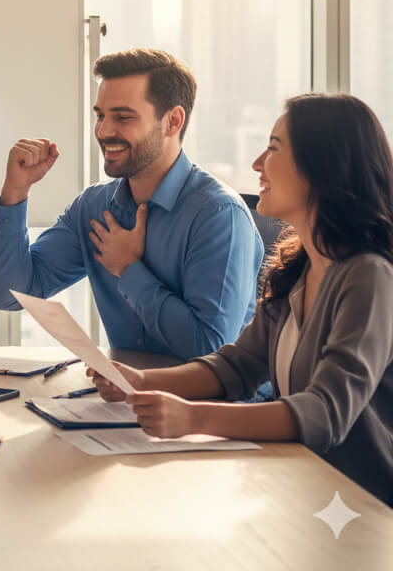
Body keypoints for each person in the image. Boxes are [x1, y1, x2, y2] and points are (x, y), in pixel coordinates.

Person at [88, 93, 393, 505]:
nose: (256, 164)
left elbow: (326, 413)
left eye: (273, 148)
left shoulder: (369, 276)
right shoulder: (299, 267)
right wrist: (140, 382)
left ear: (322, 166)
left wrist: (191, 417)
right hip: (303, 490)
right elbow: (239, 365)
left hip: (360, 509)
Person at [0, 48, 262, 360]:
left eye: (123, 117)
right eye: (100, 115)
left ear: (173, 121)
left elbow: (209, 351)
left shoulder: (219, 216)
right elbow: (11, 295)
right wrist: (15, 192)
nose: (103, 131)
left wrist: (129, 269)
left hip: (206, 406)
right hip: (124, 400)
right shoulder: (94, 207)